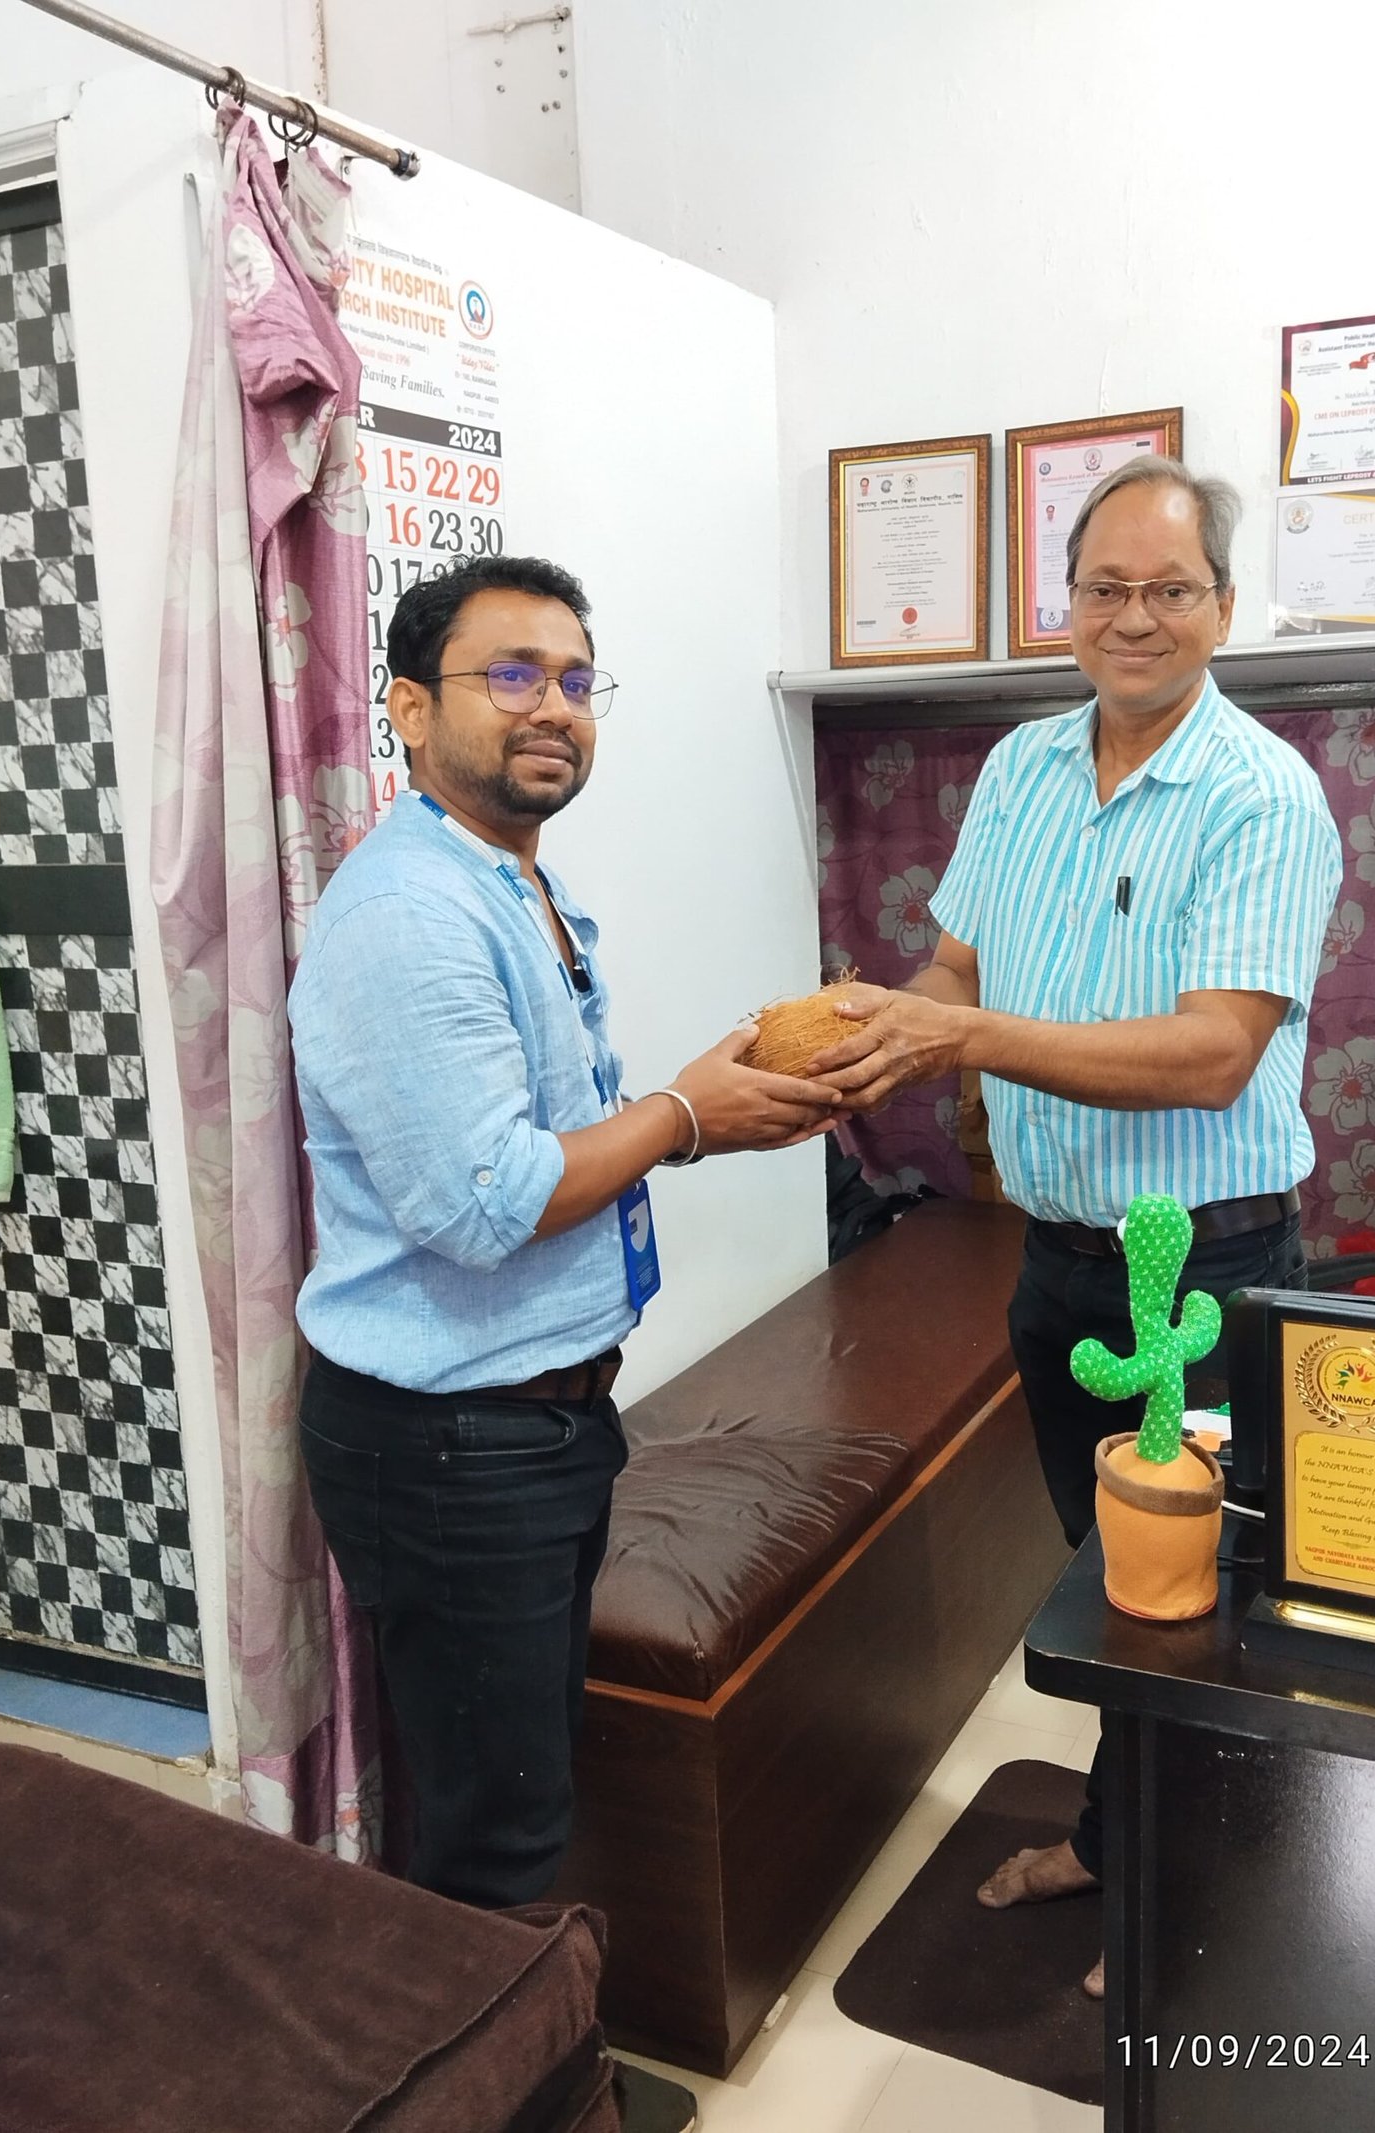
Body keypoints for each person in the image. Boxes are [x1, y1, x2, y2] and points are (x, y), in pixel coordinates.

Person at [810, 458, 1341, 1998]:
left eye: (1170, 588)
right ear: (1068, 606)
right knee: (1114, 1593)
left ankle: (1201, 1897)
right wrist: (872, 1030)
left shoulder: (1263, 794)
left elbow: (1214, 1052)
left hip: (1208, 1272)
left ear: (1223, 607)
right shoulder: (1021, 768)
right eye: (1106, 587)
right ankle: (1123, 1841)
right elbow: (956, 974)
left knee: (1205, 1608)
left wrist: (961, 1041)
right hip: (1054, 1264)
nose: (1134, 616)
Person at [289, 554, 839, 1919]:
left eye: (577, 680)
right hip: (452, 1443)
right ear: (410, 708)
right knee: (494, 1841)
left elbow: (550, 1134)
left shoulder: (510, 881)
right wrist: (685, 1116)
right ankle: (487, 2039)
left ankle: (509, 2017)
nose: (553, 706)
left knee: (511, 1788)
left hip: (539, 1417)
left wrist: (702, 1102)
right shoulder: (410, 913)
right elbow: (486, 1201)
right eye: (512, 675)